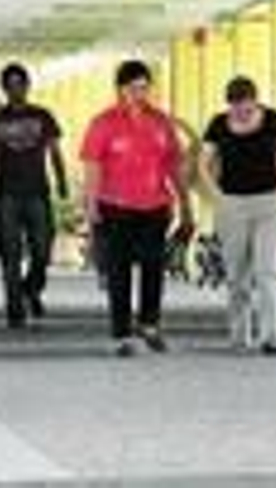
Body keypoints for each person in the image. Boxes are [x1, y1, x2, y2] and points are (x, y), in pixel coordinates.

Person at [80, 59, 194, 356]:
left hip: (155, 205)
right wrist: (90, 207)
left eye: (145, 88)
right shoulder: (103, 123)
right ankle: (121, 333)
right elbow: (92, 168)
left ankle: (149, 324)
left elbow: (174, 167)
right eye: (134, 88)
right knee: (119, 271)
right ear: (120, 90)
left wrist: (185, 205)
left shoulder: (161, 122)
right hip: (115, 206)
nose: (140, 94)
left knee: (153, 266)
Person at [200, 76, 276, 354]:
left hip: (269, 204)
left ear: (256, 101)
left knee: (267, 271)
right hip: (232, 205)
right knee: (236, 274)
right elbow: (204, 162)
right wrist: (215, 195)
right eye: (235, 107)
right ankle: (239, 335)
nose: (241, 113)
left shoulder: (274, 120)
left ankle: (271, 336)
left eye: (246, 107)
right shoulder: (218, 124)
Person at [0, 63, 68, 329]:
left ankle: (31, 288)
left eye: (20, 84)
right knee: (11, 254)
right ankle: (14, 308)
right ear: (4, 89)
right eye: (11, 85)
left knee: (42, 250)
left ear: (28, 86)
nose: (16, 89)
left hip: (38, 192)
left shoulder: (43, 116)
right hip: (7, 195)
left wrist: (61, 181)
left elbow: (55, 152)